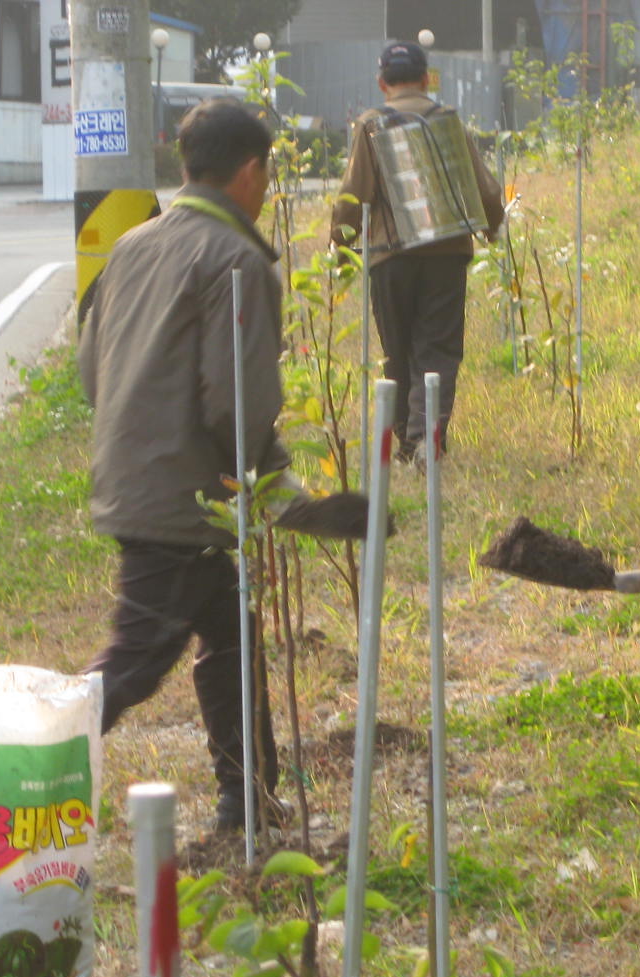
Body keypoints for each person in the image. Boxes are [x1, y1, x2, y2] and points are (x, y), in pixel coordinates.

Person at [79, 100, 371, 835]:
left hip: (141, 482)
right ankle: (16, 765)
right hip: (182, 504)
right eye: (268, 174)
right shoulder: (236, 262)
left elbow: (92, 374)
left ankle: (248, 806)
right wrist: (287, 498)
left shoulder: (133, 246)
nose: (268, 188)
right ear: (250, 172)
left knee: (231, 644)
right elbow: (233, 409)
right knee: (137, 662)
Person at [331, 40, 506, 467]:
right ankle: (428, 438)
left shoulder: (371, 125)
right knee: (439, 350)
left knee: (399, 349)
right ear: (427, 79)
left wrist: (340, 247)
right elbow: (485, 190)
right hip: (446, 254)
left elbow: (354, 195)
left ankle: (405, 443)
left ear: (381, 82)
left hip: (390, 257)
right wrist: (491, 229)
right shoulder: (448, 121)